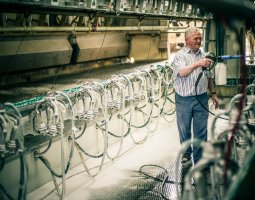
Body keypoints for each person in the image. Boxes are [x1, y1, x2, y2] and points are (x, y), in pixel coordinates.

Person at [171, 27, 220, 164]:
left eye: (200, 38)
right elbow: (181, 72)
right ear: (187, 40)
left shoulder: (204, 55)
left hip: (202, 98)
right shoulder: (180, 56)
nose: (199, 40)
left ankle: (200, 159)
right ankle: (186, 152)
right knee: (184, 129)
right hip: (184, 99)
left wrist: (214, 94)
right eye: (195, 38)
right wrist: (198, 63)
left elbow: (209, 77)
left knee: (201, 130)